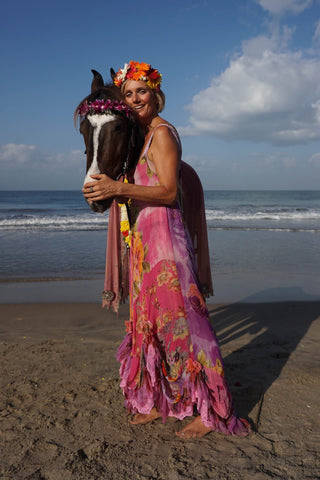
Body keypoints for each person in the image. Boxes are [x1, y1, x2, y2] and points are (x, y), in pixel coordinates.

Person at [83, 61, 250, 439]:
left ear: (156, 94)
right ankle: (157, 399)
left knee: (187, 324)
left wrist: (117, 189)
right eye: (129, 93)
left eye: (142, 90)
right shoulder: (139, 137)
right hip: (143, 243)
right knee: (148, 323)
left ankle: (211, 411)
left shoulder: (162, 134)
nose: (136, 98)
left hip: (167, 242)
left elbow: (169, 192)